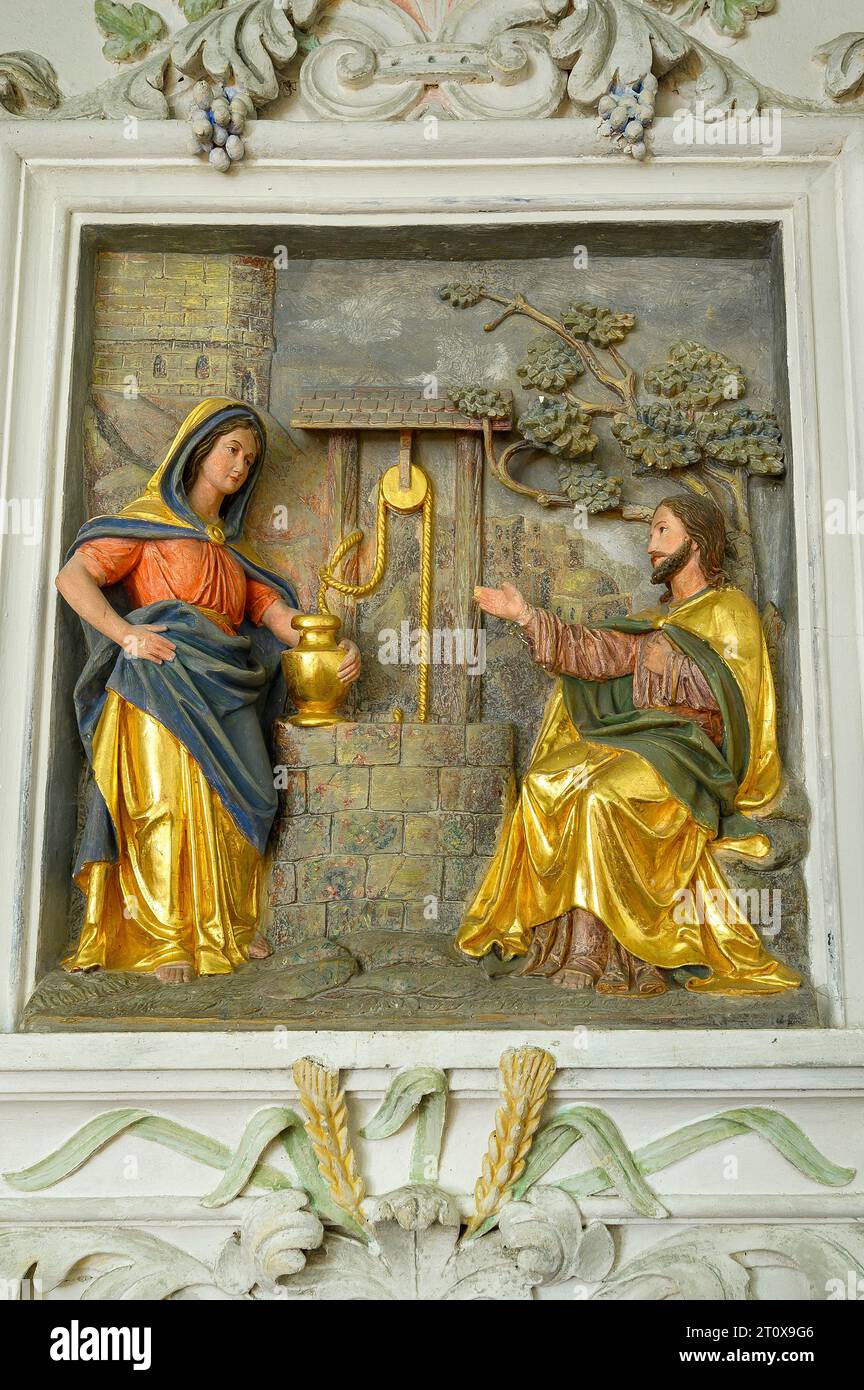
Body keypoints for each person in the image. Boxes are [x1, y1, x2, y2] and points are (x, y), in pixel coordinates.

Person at [55, 397, 361, 983]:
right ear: (199, 451)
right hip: (158, 681)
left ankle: (227, 926)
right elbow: (75, 576)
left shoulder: (235, 551)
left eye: (249, 457)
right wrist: (127, 636)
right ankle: (166, 939)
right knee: (163, 807)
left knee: (245, 801)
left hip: (226, 684)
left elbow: (279, 619)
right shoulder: (149, 525)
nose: (241, 465)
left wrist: (331, 642)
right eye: (232, 449)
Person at [457, 493, 801, 998]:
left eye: (663, 531)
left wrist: (678, 669)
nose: (650, 545)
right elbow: (596, 652)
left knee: (603, 797)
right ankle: (560, 939)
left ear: (698, 541)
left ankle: (614, 951)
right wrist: (526, 616)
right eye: (651, 533)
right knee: (542, 783)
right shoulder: (652, 618)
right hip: (639, 740)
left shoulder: (729, 610)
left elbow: (744, 704)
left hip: (693, 754)